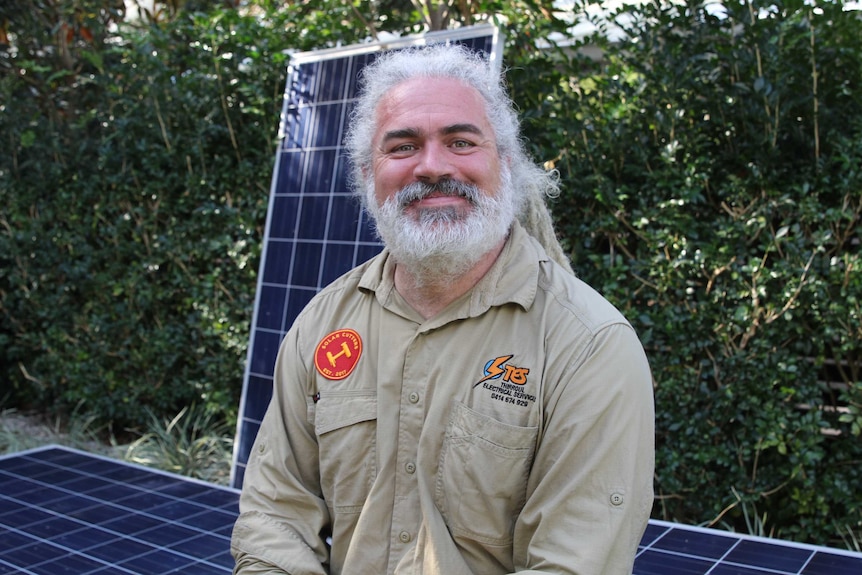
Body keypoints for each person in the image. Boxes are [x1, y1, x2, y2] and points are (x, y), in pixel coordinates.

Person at [231, 42, 655, 575]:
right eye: (403, 146)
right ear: (368, 173)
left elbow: (574, 563)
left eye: (460, 141)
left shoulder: (589, 346)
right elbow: (276, 513)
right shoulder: (321, 325)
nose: (432, 167)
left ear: (505, 163)